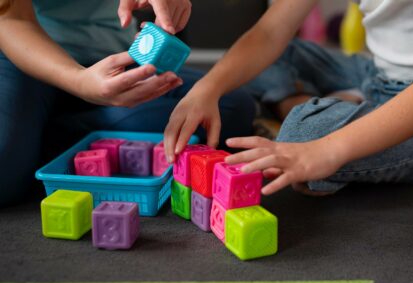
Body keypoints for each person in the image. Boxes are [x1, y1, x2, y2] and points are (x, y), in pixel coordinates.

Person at [164, 0, 413, 196]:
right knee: (276, 57)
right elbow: (270, 32)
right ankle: (338, 105)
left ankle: (336, 114)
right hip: (378, 75)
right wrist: (206, 88)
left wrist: (326, 150)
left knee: (303, 136)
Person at [0, 0, 255, 206]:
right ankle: (58, 129)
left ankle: (48, 131)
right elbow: (11, 18)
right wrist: (79, 82)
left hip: (113, 53)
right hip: (26, 57)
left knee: (230, 108)